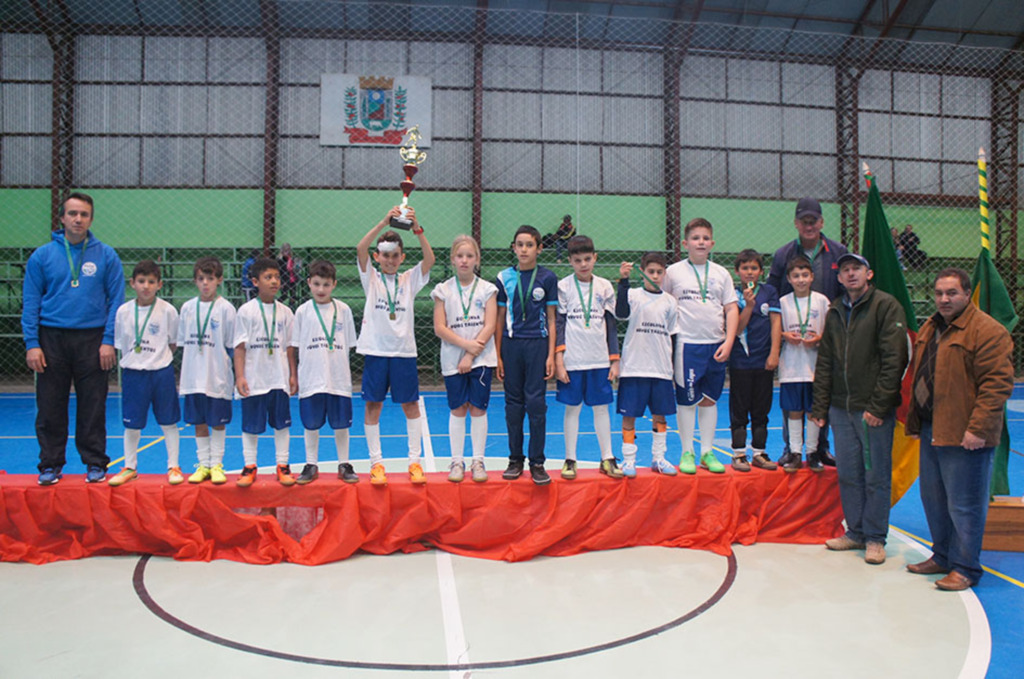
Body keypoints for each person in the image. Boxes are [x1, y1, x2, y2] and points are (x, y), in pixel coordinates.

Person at [905, 268, 1014, 591]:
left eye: (951, 293)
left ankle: (965, 568)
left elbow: (996, 385)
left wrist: (978, 428)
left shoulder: (988, 331)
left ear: (967, 294)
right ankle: (942, 556)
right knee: (934, 498)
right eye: (939, 293)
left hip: (966, 434)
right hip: (931, 427)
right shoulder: (932, 326)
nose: (943, 299)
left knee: (965, 504)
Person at [811, 253, 908, 566]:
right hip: (841, 408)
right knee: (849, 474)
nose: (851, 274)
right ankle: (855, 531)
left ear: (869, 274)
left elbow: (895, 360)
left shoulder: (886, 306)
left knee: (875, 475)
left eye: (857, 269)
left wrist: (879, 405)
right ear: (839, 278)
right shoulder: (836, 310)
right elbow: (825, 361)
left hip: (871, 410)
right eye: (846, 270)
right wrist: (821, 406)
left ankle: (876, 538)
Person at [23, 192, 125, 486]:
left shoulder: (106, 255)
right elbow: (30, 303)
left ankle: (95, 462)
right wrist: (32, 343)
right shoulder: (42, 256)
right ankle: (50, 464)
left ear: (91, 219)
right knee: (50, 404)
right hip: (51, 337)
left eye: (84, 214)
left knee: (93, 404)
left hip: (93, 339)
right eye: (72, 214)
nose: (78, 219)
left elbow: (116, 302)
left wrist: (108, 340)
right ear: (62, 218)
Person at [356, 206, 435, 486]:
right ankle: (376, 463)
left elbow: (429, 259)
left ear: (402, 258)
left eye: (395, 256)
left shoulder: (409, 279)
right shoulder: (371, 278)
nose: (390, 260)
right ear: (378, 258)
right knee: (373, 407)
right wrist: (383, 222)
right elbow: (360, 248)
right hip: (377, 352)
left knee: (410, 405)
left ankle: (415, 461)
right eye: (385, 255)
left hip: (403, 353)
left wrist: (417, 228)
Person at [767, 197, 848, 468]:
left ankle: (820, 450)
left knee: (821, 396)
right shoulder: (783, 254)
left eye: (814, 221)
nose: (809, 226)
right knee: (793, 403)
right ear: (796, 223)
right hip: (792, 346)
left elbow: (845, 295)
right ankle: (792, 450)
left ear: (822, 222)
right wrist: (779, 335)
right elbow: (773, 295)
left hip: (826, 337)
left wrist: (830, 335)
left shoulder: (838, 252)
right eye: (804, 221)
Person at [662, 218, 738, 475]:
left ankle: (707, 451)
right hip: (687, 345)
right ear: (685, 243)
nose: (701, 242)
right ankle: (687, 451)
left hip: (716, 345)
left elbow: (731, 308)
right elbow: (663, 305)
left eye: (705, 238)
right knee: (687, 400)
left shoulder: (721, 273)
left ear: (713, 243)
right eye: (696, 238)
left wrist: (729, 341)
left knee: (709, 400)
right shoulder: (673, 272)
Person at [554, 235, 623, 480]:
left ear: (595, 258)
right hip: (572, 360)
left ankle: (607, 457)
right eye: (577, 260)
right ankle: (570, 459)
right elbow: (559, 325)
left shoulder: (605, 286)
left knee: (602, 409)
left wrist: (615, 359)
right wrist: (559, 359)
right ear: (570, 262)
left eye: (587, 259)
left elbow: (611, 324)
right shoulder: (564, 286)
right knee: (572, 410)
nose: (583, 264)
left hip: (599, 360)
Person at [108, 260, 182, 486]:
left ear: (159, 284)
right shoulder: (123, 312)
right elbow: (121, 343)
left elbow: (173, 342)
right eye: (141, 281)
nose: (146, 286)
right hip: (133, 374)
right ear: (132, 283)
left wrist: (156, 358)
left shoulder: (168, 310)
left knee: (168, 422)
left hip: (161, 373)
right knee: (132, 424)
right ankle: (130, 466)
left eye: (151, 282)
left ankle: (174, 466)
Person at [432, 235, 498, 483]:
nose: (464, 260)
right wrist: (464, 347)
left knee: (478, 409)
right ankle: (457, 461)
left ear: (477, 260)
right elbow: (440, 327)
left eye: (470, 256)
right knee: (458, 409)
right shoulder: (443, 290)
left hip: (480, 360)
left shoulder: (487, 289)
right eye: (460, 256)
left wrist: (471, 354)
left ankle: (478, 461)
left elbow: (490, 325)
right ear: (452, 259)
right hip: (452, 360)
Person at [495, 225, 557, 485]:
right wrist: (497, 355)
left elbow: (552, 320)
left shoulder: (548, 278)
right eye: (519, 244)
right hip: (511, 346)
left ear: (539, 248)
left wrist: (551, 355)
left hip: (537, 345)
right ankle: (515, 459)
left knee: (536, 404)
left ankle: (538, 462)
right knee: (513, 405)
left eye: (529, 245)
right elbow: (499, 318)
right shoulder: (503, 277)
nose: (524, 249)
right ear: (513, 247)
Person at [291, 260, 359, 484]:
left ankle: (344, 463)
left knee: (341, 424)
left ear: (334, 284)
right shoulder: (302, 312)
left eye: (326, 285)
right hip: (311, 378)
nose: (321, 289)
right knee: (311, 423)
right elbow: (294, 346)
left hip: (338, 377)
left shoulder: (344, 310)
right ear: (309, 283)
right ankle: (311, 463)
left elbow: (349, 343)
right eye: (317, 284)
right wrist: (294, 375)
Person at [233, 257, 298, 487]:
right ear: (254, 281)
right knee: (251, 425)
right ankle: (249, 465)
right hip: (254, 378)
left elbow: (290, 347)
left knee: (282, 424)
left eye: (277, 277)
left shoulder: (286, 312)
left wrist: (293, 374)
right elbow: (239, 347)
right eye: (268, 277)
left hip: (278, 378)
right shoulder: (245, 312)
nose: (274, 282)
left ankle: (283, 465)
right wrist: (240, 376)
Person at [615, 253, 681, 478]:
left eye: (659, 272)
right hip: (634, 366)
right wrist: (623, 282)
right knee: (629, 415)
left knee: (660, 415)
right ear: (642, 271)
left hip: (660, 369)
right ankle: (629, 459)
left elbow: (671, 335)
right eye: (650, 271)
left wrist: (671, 368)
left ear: (664, 273)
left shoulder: (670, 302)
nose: (655, 276)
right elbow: (621, 313)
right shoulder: (633, 295)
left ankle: (659, 458)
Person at [179, 256, 235, 485]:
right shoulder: (187, 308)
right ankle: (203, 464)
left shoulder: (226, 309)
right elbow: (182, 342)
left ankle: (217, 464)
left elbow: (232, 346)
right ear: (195, 281)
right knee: (199, 422)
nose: (205, 284)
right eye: (201, 279)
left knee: (217, 422)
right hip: (193, 378)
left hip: (217, 377)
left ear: (219, 280)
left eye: (210, 279)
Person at [728, 249, 780, 472]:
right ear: (737, 271)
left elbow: (776, 323)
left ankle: (759, 451)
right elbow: (736, 329)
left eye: (754, 268)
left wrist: (774, 352)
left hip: (764, 360)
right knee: (739, 409)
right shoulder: (732, 295)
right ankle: (739, 453)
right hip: (740, 362)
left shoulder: (769, 292)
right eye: (745, 268)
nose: (749, 272)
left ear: (761, 271)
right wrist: (748, 306)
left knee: (761, 409)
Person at [777, 256, 830, 473]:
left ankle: (812, 452)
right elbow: (776, 330)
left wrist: (819, 339)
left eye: (805, 275)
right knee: (794, 411)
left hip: (814, 367)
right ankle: (796, 452)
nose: (801, 280)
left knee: (813, 411)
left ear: (812, 277)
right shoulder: (783, 302)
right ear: (789, 279)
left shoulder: (822, 301)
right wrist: (784, 335)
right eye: (796, 276)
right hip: (790, 367)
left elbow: (830, 330)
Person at [278, 243, 303, 308]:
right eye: (285, 251)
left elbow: (296, 268)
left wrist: (296, 267)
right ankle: (277, 305)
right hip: (285, 280)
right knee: (284, 295)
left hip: (292, 279)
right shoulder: (280, 260)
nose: (287, 253)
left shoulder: (292, 258)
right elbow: (280, 272)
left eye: (288, 251)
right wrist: (281, 282)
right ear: (282, 251)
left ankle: (291, 308)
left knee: (293, 295)